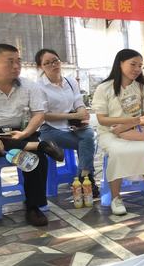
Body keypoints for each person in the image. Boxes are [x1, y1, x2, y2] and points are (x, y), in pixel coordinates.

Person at [0, 44, 64, 227]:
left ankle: (33, 207)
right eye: (10, 62)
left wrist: (25, 133)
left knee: (38, 158)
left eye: (18, 61)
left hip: (21, 132)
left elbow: (38, 115)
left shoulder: (30, 86)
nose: (16, 66)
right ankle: (38, 146)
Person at [92, 49, 144, 216]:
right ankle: (116, 198)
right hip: (109, 133)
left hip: (136, 131)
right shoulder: (104, 88)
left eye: (140, 65)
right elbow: (102, 119)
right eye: (133, 64)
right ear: (120, 63)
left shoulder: (142, 88)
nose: (137, 69)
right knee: (117, 152)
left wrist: (128, 125)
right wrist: (126, 123)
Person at [35, 49, 99, 198]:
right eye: (47, 63)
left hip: (73, 126)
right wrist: (75, 115)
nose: (53, 65)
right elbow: (43, 115)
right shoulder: (38, 87)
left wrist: (82, 112)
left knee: (90, 135)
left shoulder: (70, 81)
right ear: (40, 67)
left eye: (55, 60)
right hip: (50, 129)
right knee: (88, 143)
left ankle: (82, 178)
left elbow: (78, 101)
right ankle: (87, 180)